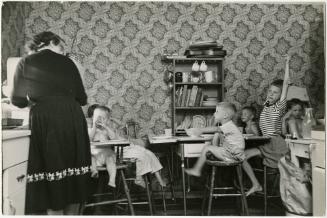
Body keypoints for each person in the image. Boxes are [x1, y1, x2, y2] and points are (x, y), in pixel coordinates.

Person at [10, 31, 92, 215]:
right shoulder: (69, 63)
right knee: (74, 169)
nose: (63, 52)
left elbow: (17, 100)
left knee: (51, 169)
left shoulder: (25, 62)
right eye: (61, 47)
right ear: (52, 42)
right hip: (72, 116)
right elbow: (82, 98)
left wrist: (35, 101)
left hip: (45, 117)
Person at [242, 56, 291, 196]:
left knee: (276, 173)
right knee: (241, 156)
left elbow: (286, 83)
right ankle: (256, 185)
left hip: (276, 144)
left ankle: (278, 193)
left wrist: (287, 63)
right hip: (266, 143)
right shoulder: (267, 104)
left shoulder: (280, 106)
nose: (270, 94)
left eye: (275, 92)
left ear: (281, 96)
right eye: (269, 91)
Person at [88, 104, 166, 188]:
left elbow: (115, 133)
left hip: (122, 147)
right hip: (114, 152)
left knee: (149, 153)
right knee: (142, 154)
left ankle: (158, 180)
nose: (101, 119)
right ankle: (139, 178)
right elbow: (92, 139)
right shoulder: (90, 127)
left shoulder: (107, 126)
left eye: (103, 117)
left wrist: (107, 123)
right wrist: (96, 126)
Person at [185, 102, 245, 177]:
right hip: (235, 155)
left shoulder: (228, 126)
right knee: (211, 146)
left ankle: (196, 170)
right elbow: (217, 132)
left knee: (207, 148)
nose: (214, 113)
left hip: (232, 155)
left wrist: (200, 130)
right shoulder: (226, 126)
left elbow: (216, 129)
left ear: (225, 115)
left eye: (217, 111)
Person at [88, 105, 120, 187]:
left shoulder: (106, 130)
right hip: (95, 154)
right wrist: (94, 127)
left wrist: (106, 127)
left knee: (110, 161)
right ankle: (94, 171)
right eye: (97, 118)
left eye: (103, 118)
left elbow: (114, 138)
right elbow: (89, 138)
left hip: (107, 154)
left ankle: (112, 180)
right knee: (91, 158)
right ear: (92, 118)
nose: (100, 120)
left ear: (107, 120)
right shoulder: (90, 129)